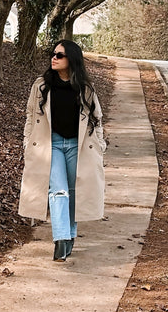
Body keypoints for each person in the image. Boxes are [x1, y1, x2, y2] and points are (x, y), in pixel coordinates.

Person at [18, 40, 106, 262]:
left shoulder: (86, 88)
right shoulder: (41, 86)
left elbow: (97, 120)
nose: (54, 58)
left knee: (74, 192)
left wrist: (101, 145)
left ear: (72, 60)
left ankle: (70, 235)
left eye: (59, 55)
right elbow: (30, 116)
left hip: (78, 146)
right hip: (52, 145)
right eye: (53, 54)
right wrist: (27, 142)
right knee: (58, 191)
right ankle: (61, 239)